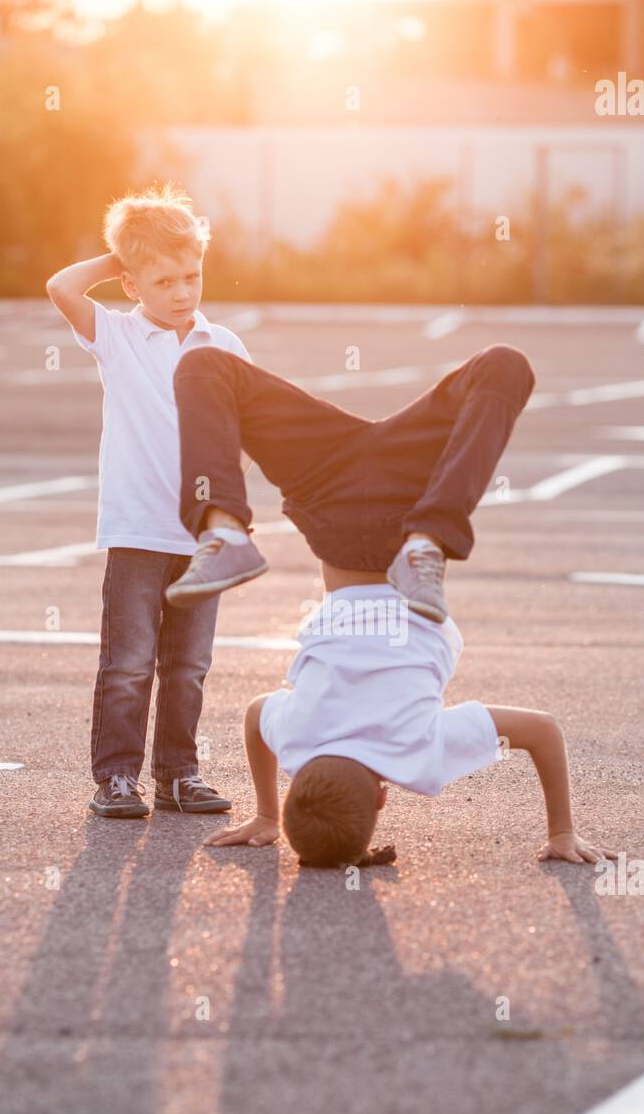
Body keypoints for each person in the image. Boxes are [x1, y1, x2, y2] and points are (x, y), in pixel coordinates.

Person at [166, 335, 615, 867]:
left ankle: (431, 538)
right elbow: (255, 714)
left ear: (382, 797)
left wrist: (562, 832)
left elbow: (541, 730)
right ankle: (222, 526)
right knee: (203, 365)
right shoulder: (294, 738)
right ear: (298, 779)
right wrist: (267, 814)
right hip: (329, 486)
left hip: (401, 496)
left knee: (504, 367)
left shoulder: (419, 754)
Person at [45, 182, 247, 819]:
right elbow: (61, 288)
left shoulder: (223, 344)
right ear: (132, 286)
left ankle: (179, 776)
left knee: (188, 667)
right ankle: (115, 779)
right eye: (163, 282)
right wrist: (123, 256)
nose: (182, 292)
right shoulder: (117, 336)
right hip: (137, 532)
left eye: (191, 276)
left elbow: (251, 430)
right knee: (130, 664)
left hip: (201, 539)